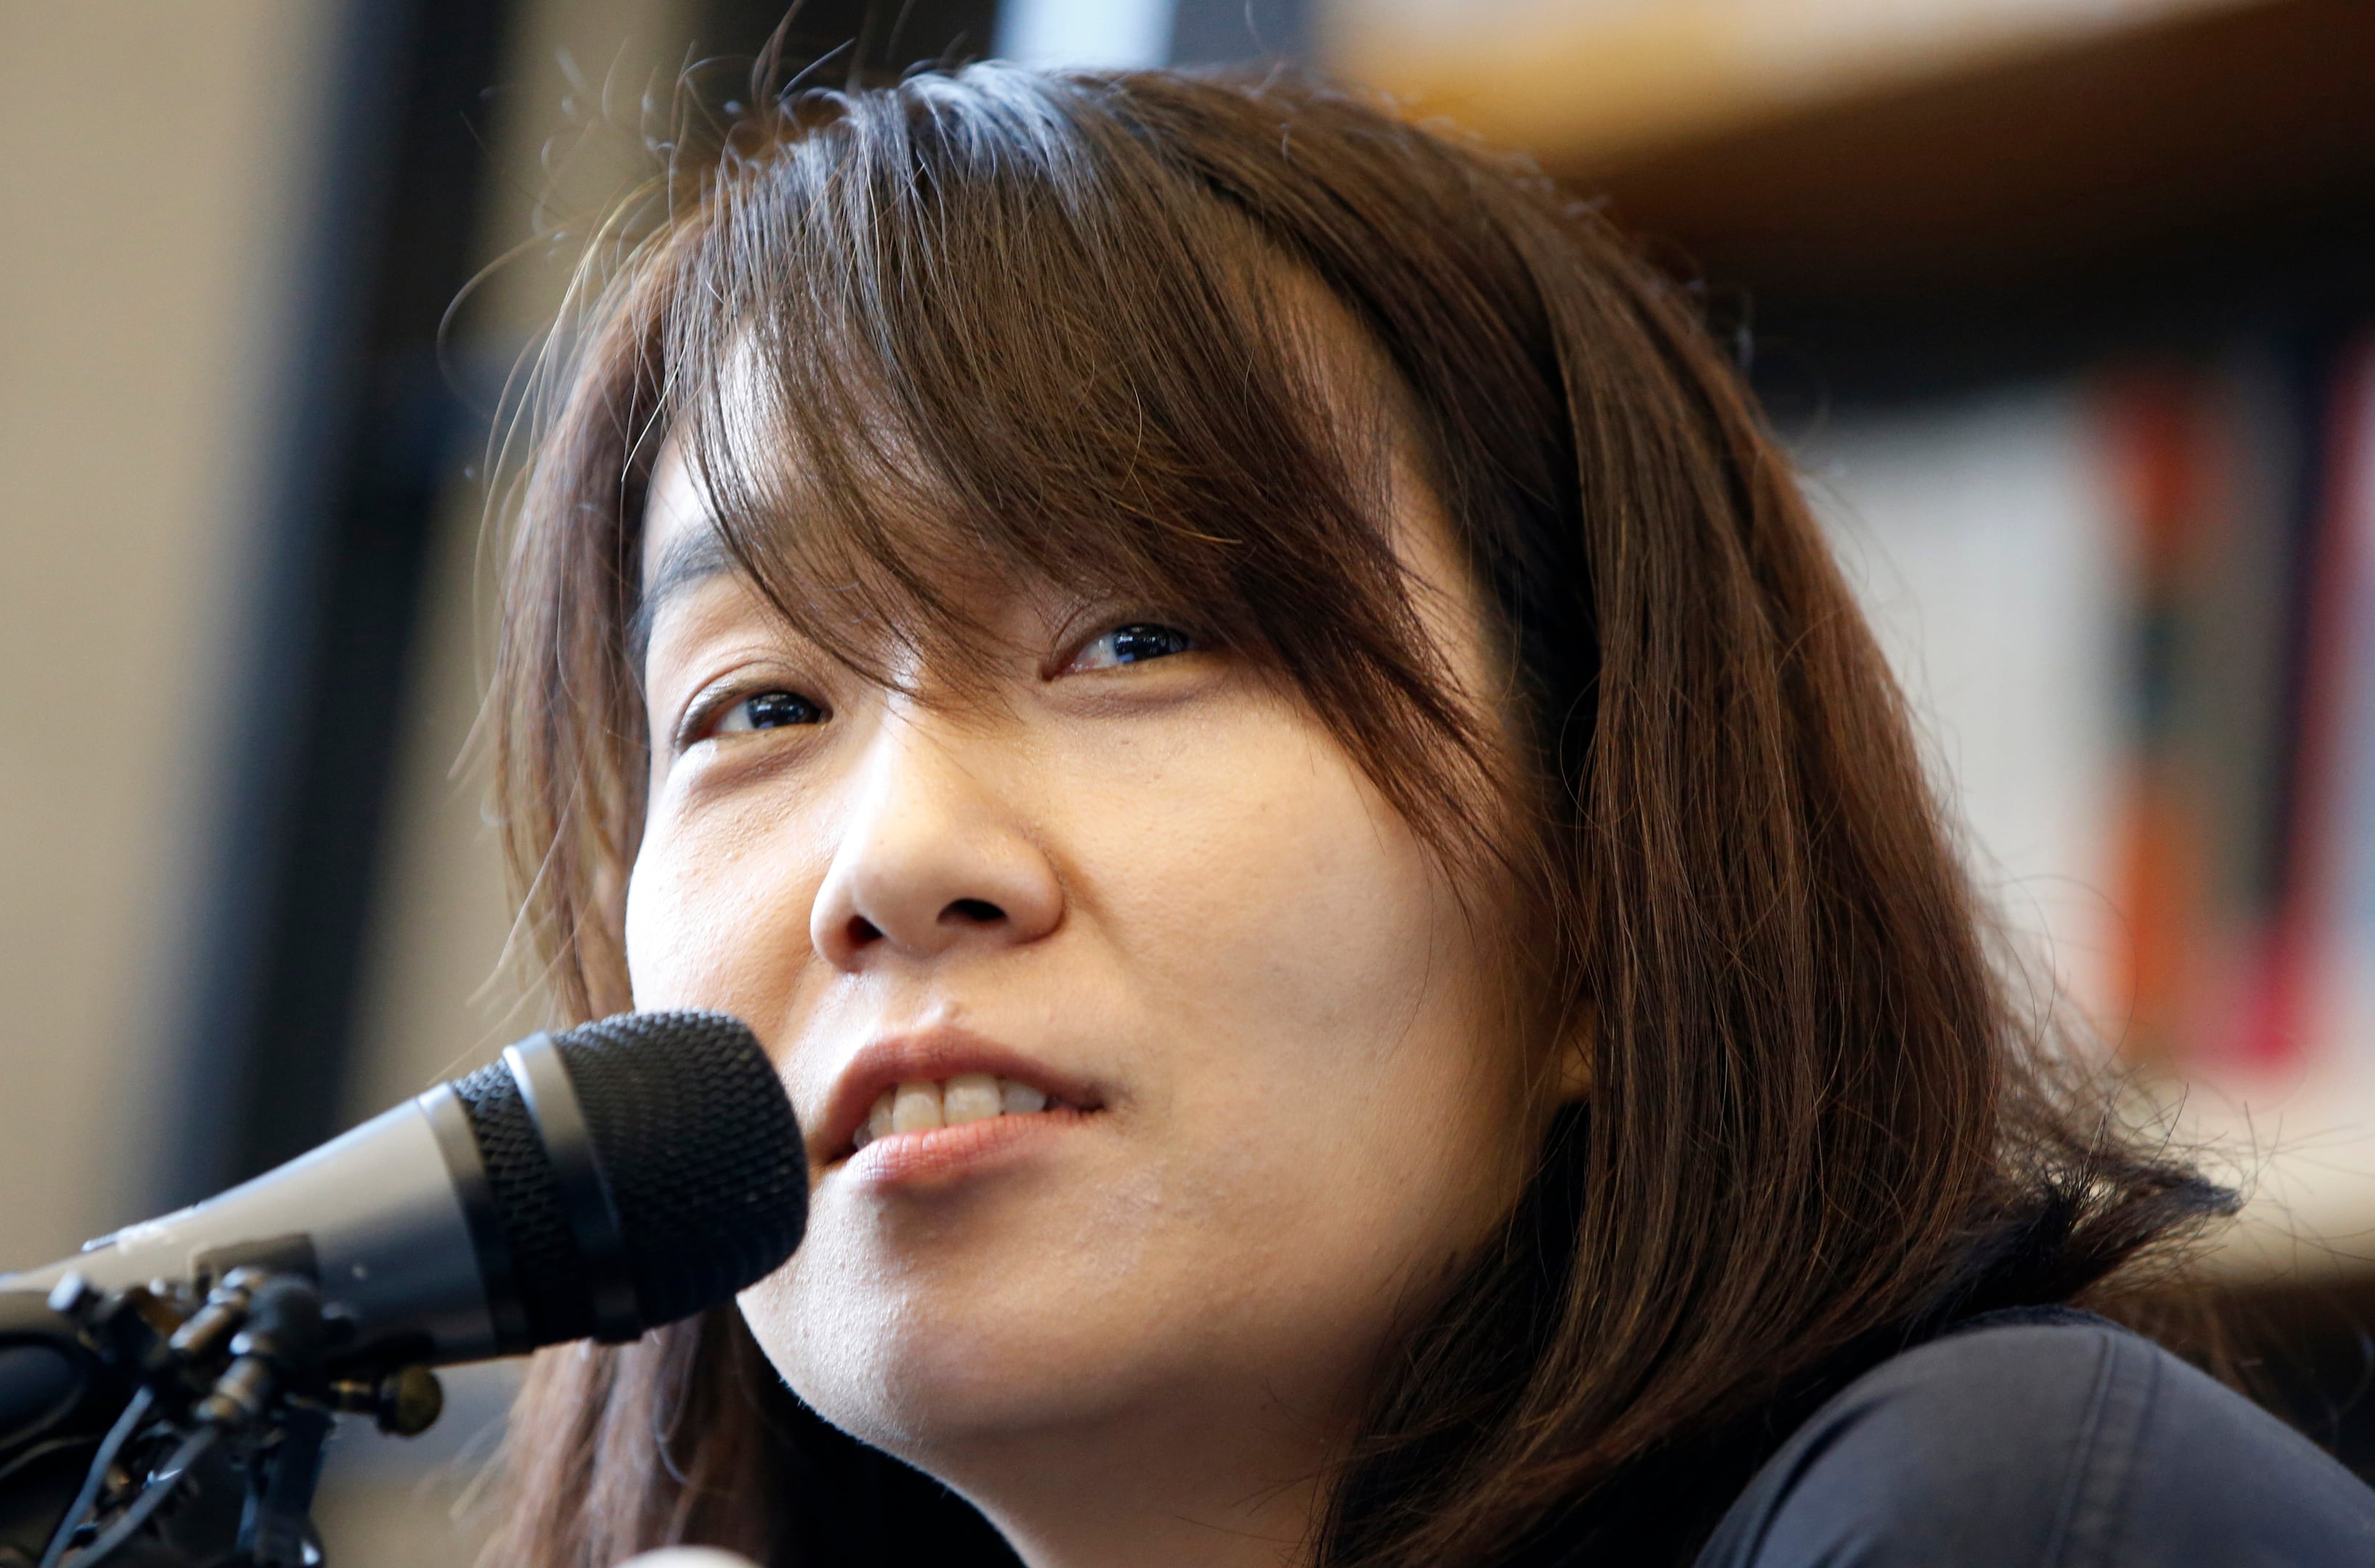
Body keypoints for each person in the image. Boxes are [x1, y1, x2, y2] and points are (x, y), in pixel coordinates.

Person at [470, 63, 2375, 1568]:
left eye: (1136, 639)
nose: (891, 862)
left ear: (1609, 899)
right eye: (759, 705)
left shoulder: (1994, 1510)